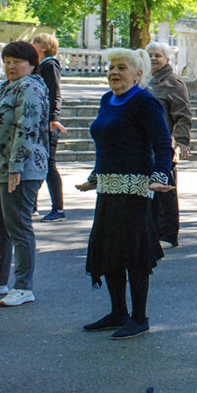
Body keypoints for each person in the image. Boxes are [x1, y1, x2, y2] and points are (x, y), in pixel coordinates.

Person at [78, 48, 174, 339]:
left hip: (136, 189)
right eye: (111, 67)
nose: (114, 73)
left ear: (138, 74)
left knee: (133, 253)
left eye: (121, 67)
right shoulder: (107, 100)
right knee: (109, 250)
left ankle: (139, 317)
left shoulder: (145, 102)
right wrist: (94, 177)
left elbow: (162, 143)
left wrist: (159, 176)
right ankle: (118, 311)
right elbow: (103, 144)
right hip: (108, 188)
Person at [0, 41, 49, 307]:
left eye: (16, 61)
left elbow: (27, 129)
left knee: (18, 227)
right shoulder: (3, 87)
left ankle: (23, 286)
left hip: (22, 170)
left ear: (32, 64)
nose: (10, 66)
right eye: (7, 61)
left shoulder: (30, 87)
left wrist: (16, 166)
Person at [144, 42, 192, 249]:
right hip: (144, 144)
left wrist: (181, 141)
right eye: (150, 55)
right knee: (149, 189)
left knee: (165, 190)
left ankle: (169, 235)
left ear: (167, 59)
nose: (153, 59)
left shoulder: (173, 82)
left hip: (163, 144)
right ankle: (151, 231)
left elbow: (182, 114)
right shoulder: (143, 79)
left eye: (158, 56)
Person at [32, 33, 68, 222]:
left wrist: (53, 118)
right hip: (39, 122)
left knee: (49, 165)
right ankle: (32, 206)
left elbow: (55, 93)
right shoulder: (40, 66)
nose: (32, 44)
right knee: (37, 164)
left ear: (45, 46)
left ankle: (58, 209)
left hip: (47, 123)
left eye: (36, 42)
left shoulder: (49, 65)